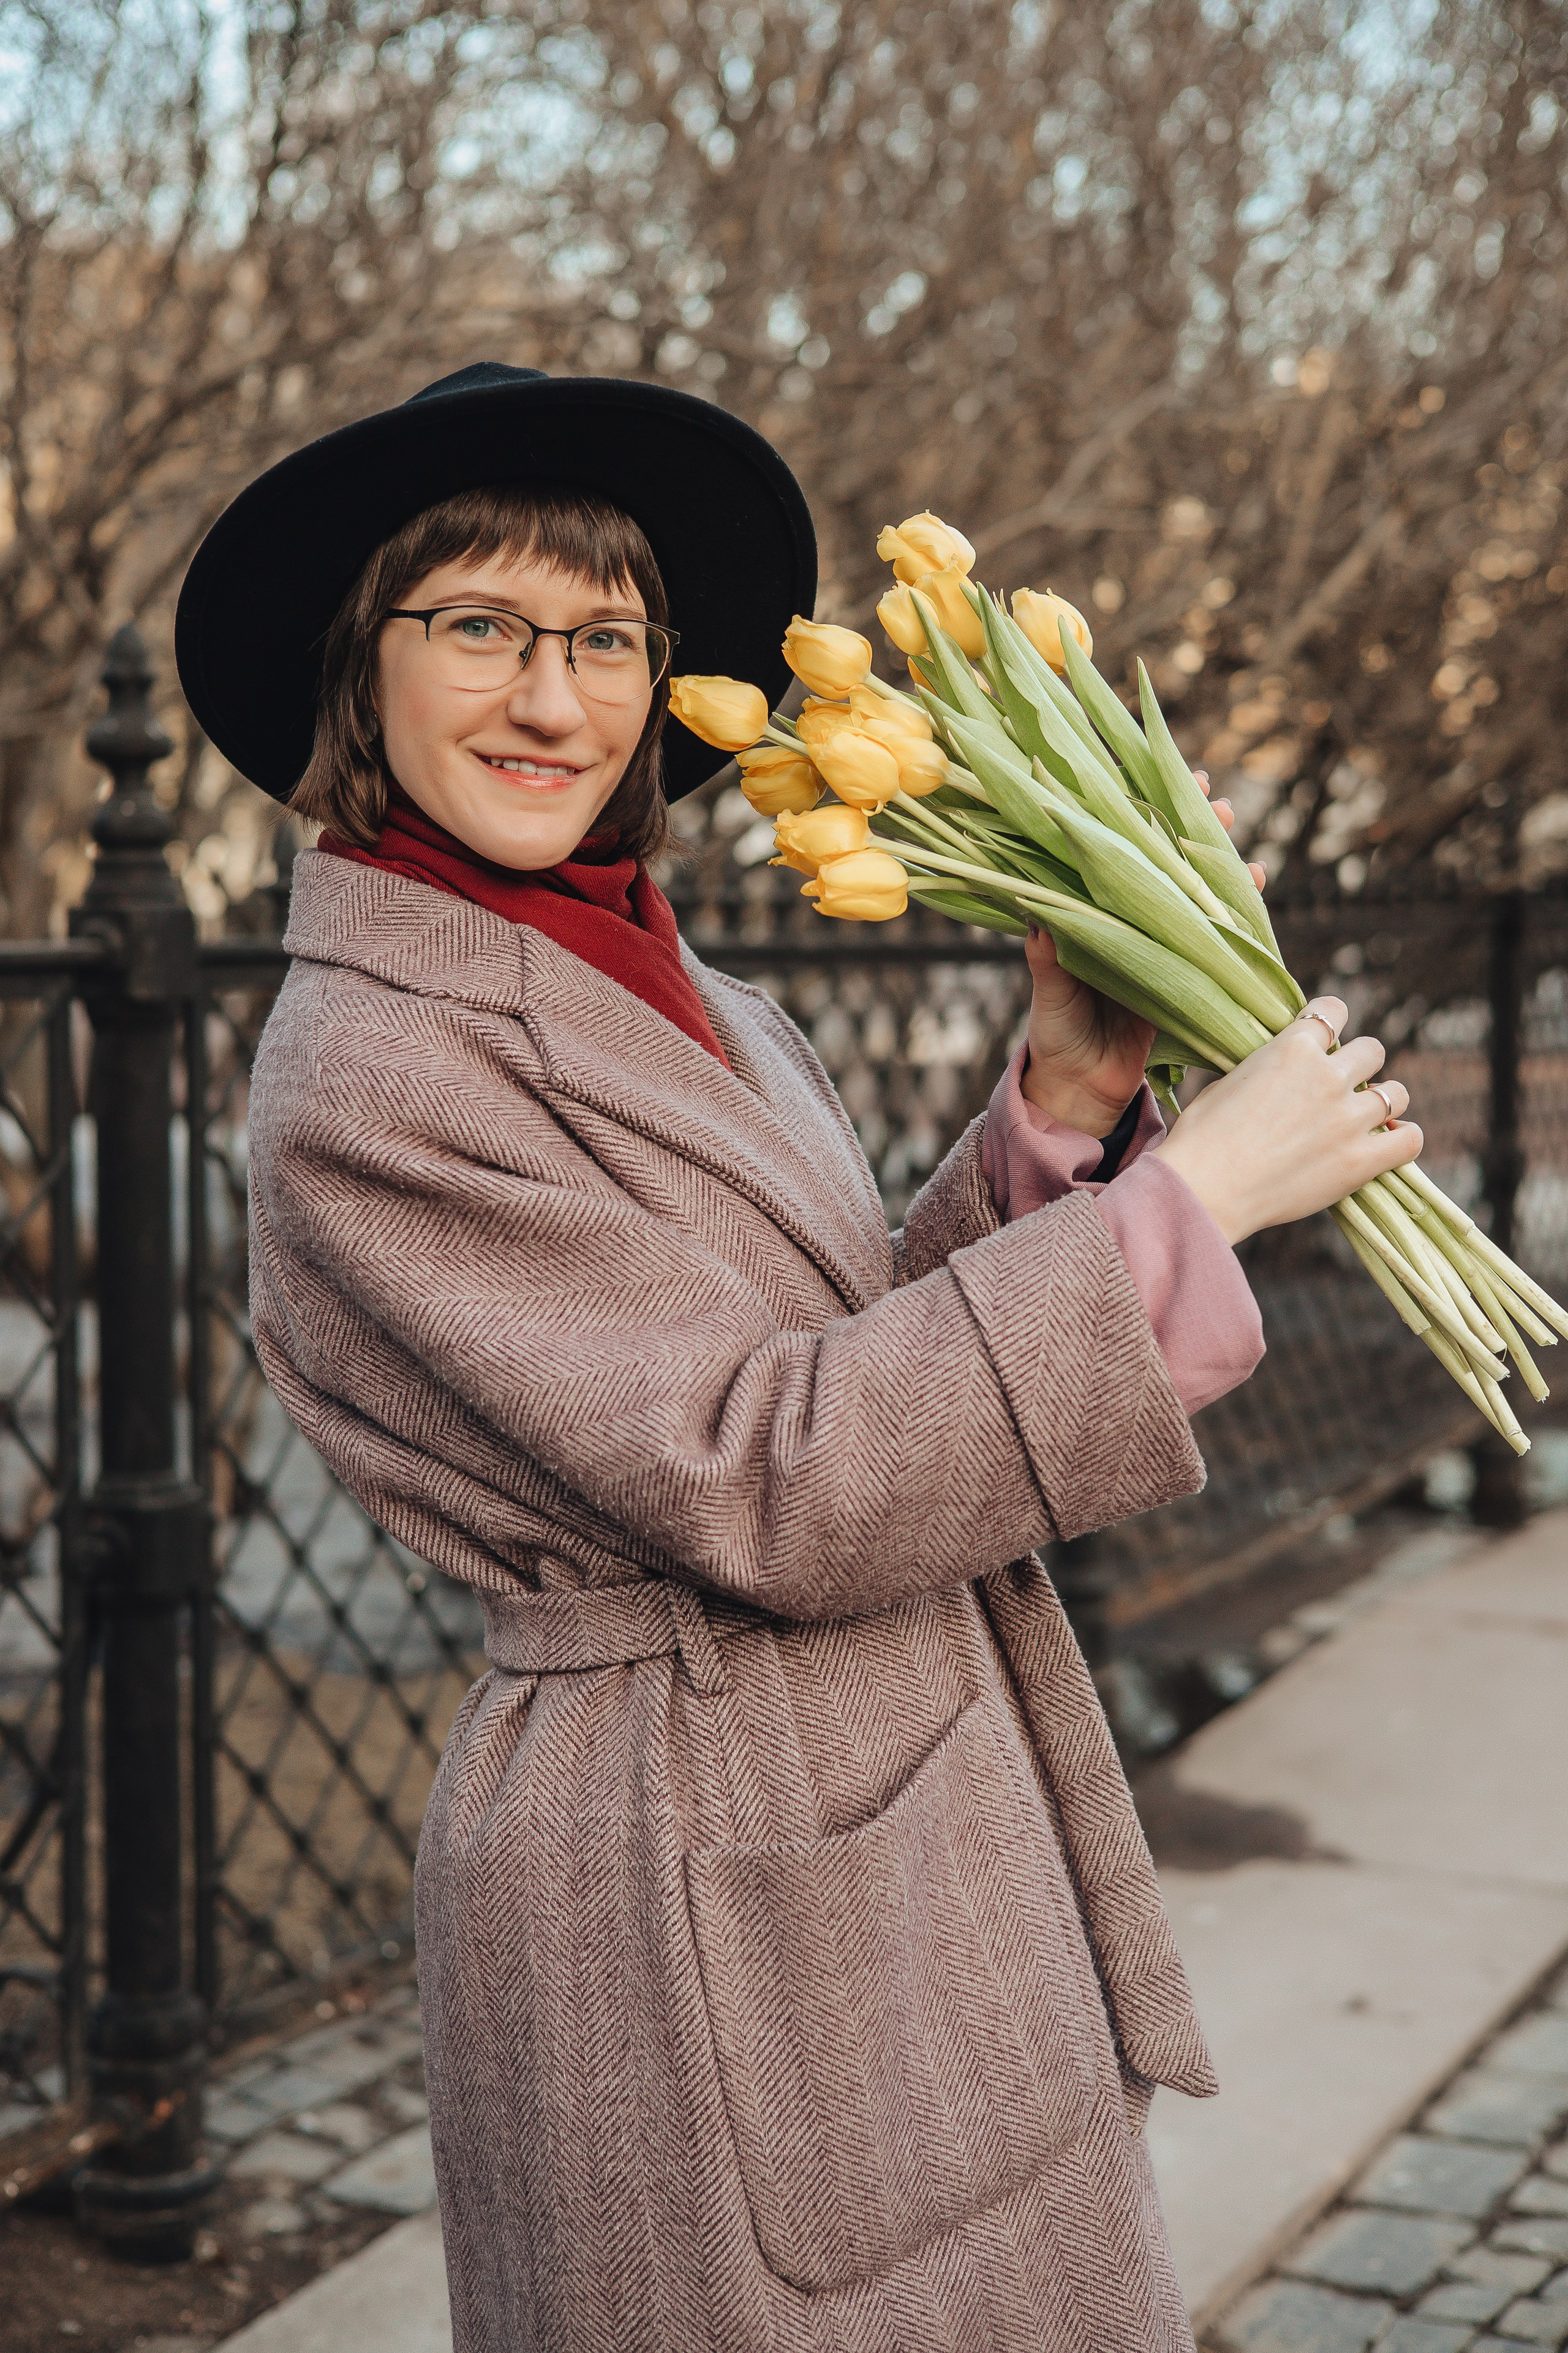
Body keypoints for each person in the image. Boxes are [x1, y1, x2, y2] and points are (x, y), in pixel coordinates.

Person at [176, 362, 1420, 2353]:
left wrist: (1068, 1110)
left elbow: (843, 1336)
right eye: (481, 626)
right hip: (692, 1860)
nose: (556, 699)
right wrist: (1201, 1206)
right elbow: (773, 1469)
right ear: (363, 664)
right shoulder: (370, 1072)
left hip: (888, 1803)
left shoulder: (675, 968)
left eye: (605, 636)